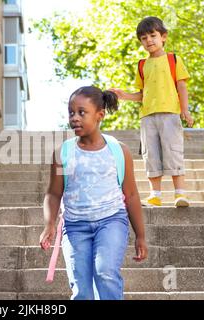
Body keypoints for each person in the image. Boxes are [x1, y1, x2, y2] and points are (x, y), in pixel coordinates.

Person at [39, 86, 148, 300]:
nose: (74, 118)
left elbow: (132, 195)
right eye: (71, 112)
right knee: (82, 289)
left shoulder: (119, 150)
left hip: (111, 221)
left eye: (82, 112)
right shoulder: (63, 153)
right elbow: (53, 194)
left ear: (100, 115)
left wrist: (140, 236)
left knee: (105, 271)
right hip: (75, 226)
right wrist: (50, 224)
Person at [110, 16, 194, 207]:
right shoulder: (141, 65)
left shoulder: (173, 60)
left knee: (173, 152)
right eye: (144, 38)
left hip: (170, 115)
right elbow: (142, 94)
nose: (149, 40)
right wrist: (124, 95)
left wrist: (185, 110)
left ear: (163, 36)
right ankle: (154, 195)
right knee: (151, 155)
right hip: (148, 117)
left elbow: (181, 87)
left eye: (153, 35)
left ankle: (180, 194)